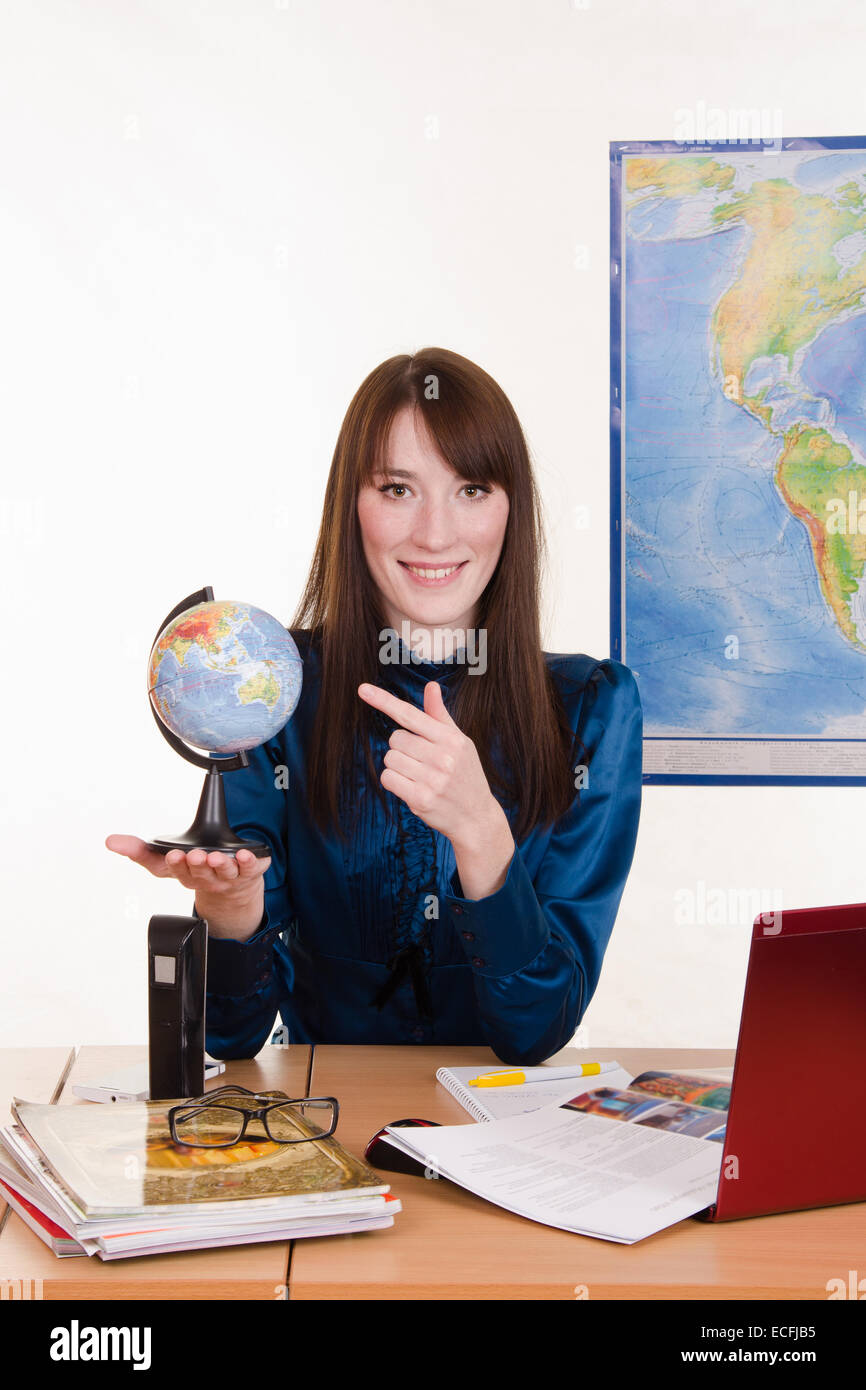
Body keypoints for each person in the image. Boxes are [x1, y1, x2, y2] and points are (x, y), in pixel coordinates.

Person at [108, 347, 642, 1066]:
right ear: (351, 505)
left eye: (472, 489)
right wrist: (231, 910)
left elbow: (536, 1030)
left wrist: (481, 829)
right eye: (397, 489)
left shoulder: (591, 710)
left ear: (512, 508)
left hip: (503, 1146)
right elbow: (229, 1039)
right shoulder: (273, 689)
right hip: (326, 1129)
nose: (435, 534)